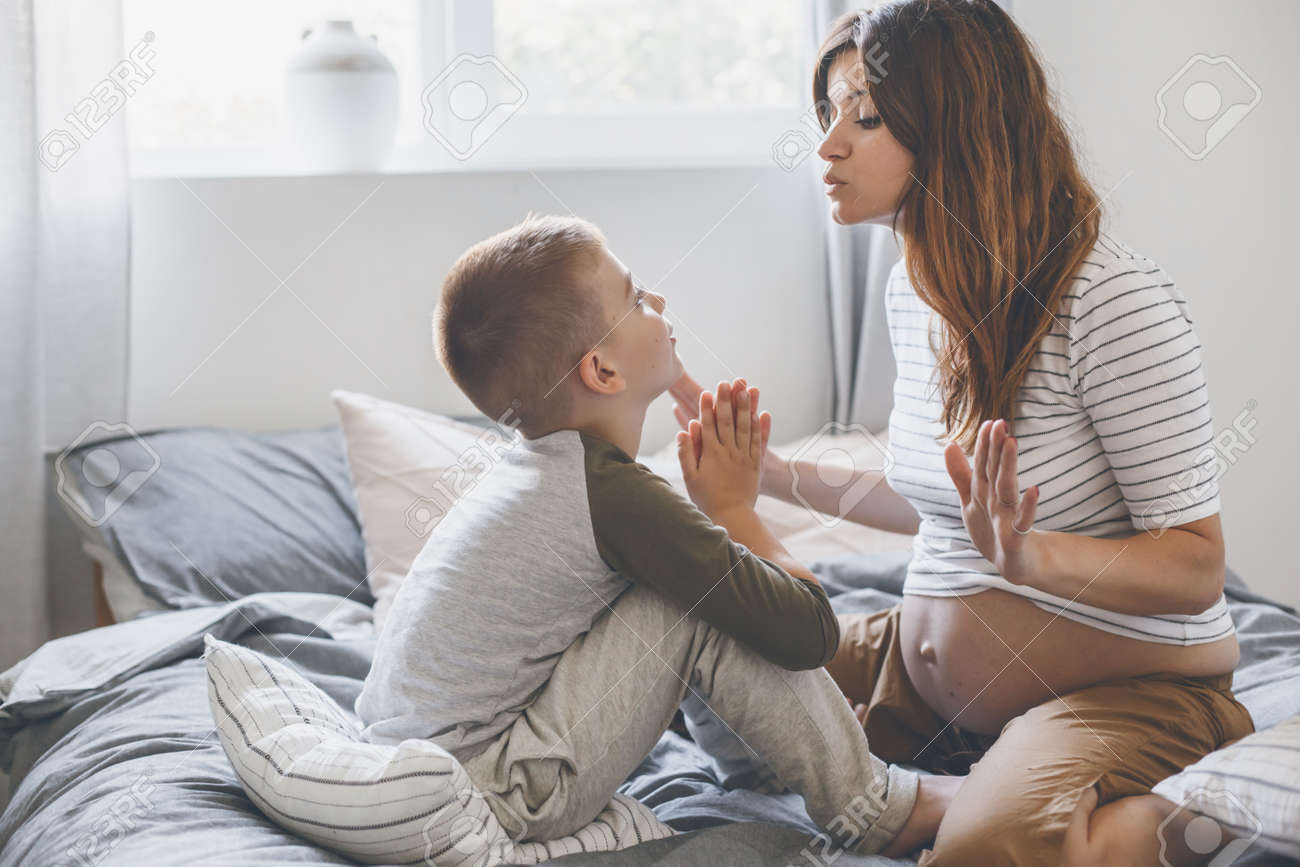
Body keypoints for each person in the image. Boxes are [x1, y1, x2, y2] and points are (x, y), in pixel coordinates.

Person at [671, 2, 1253, 862]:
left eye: (865, 117)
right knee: (707, 647)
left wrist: (1032, 560)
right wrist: (770, 474)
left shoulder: (1111, 299)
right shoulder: (915, 285)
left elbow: (1197, 565)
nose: (828, 146)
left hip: (1127, 691)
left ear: (958, 125)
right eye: (827, 114)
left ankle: (1170, 819)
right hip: (923, 678)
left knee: (984, 850)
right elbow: (936, 502)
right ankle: (955, 777)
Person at [355, 214, 960, 858]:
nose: (660, 301)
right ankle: (873, 808)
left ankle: (762, 770)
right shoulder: (610, 497)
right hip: (499, 790)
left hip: (441, 769)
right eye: (637, 296)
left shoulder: (542, 472)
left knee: (691, 584)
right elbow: (809, 631)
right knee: (692, 600)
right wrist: (734, 511)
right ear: (603, 372)